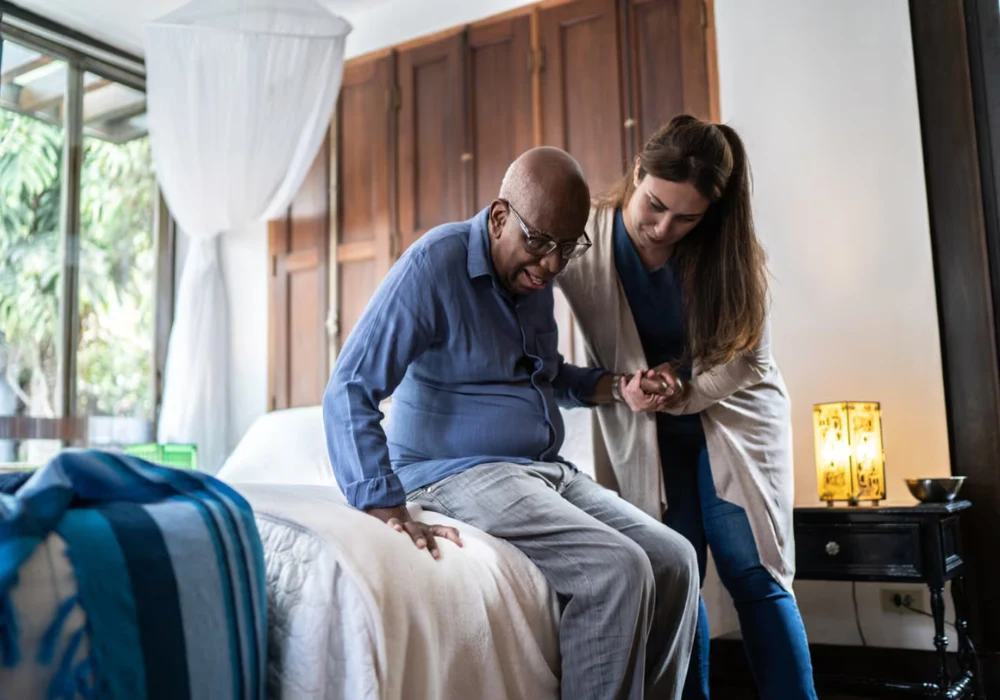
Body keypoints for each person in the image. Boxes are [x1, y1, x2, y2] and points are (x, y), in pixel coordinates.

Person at [324, 146, 699, 700]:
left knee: (674, 560)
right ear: (500, 217)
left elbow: (546, 377)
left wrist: (618, 385)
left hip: (541, 468)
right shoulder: (434, 266)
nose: (551, 265)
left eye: (567, 248)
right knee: (616, 571)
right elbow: (349, 387)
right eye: (541, 243)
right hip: (454, 471)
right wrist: (385, 505)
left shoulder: (532, 283)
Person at [557, 115, 817, 700]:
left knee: (752, 569)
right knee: (676, 575)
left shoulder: (728, 252)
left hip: (732, 415)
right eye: (654, 206)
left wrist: (681, 385)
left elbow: (746, 359)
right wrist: (613, 385)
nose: (664, 227)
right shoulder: (585, 239)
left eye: (687, 218)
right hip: (644, 423)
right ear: (638, 172)